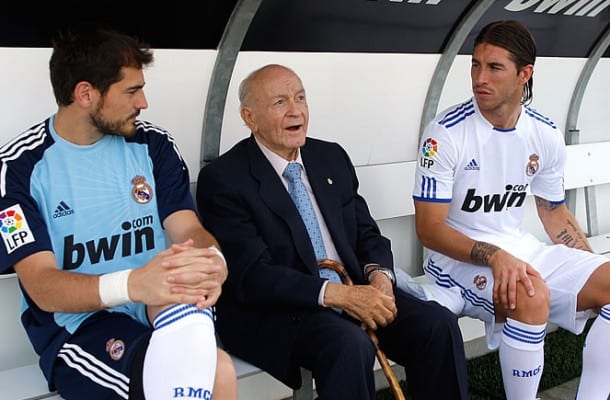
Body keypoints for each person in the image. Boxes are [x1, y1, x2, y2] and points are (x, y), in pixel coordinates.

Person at [196, 63, 469, 399]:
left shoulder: (329, 157)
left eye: (300, 98)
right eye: (280, 102)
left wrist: (381, 280)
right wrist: (338, 295)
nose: (295, 111)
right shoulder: (225, 179)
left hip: (355, 290)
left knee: (437, 325)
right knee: (348, 344)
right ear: (249, 118)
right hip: (281, 310)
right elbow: (253, 275)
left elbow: (367, 234)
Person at [0, 27, 237, 400]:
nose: (143, 102)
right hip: (79, 328)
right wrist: (133, 284)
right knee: (205, 375)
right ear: (85, 94)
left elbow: (187, 229)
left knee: (214, 370)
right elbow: (43, 287)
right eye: (131, 91)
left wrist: (212, 261)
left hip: (155, 301)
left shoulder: (153, 145)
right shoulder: (18, 168)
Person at [411, 19, 610, 400]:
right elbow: (429, 229)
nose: (479, 78)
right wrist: (495, 256)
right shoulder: (446, 132)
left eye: (494, 67)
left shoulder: (544, 133)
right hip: (456, 264)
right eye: (475, 65)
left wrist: (589, 268)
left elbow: (553, 213)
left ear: (524, 74)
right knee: (530, 295)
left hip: (518, 250)